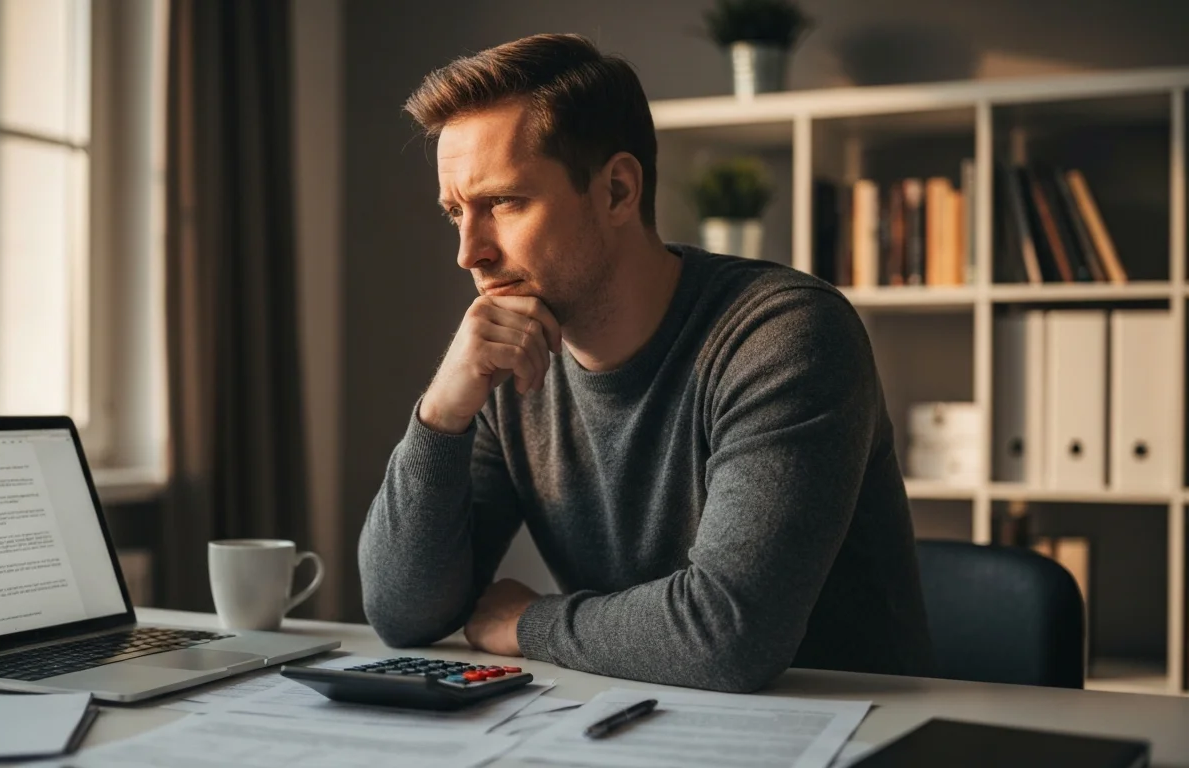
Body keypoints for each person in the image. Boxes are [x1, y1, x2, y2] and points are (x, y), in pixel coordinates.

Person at [357, 32, 933, 693]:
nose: (469, 252)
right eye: (456, 212)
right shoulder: (510, 362)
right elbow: (402, 613)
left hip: (845, 731)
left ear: (618, 190)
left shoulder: (783, 334)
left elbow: (727, 636)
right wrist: (443, 413)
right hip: (643, 717)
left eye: (504, 203)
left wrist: (527, 623)